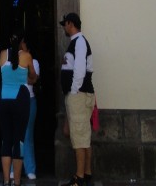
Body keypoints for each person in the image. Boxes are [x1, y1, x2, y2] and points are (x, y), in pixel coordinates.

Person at [0, 31, 37, 186]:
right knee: (19, 139)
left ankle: (6, 180)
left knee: (6, 139)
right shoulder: (27, 56)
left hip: (3, 98)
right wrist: (25, 76)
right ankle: (17, 181)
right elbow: (33, 76)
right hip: (20, 98)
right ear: (22, 42)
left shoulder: (2, 54)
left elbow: (3, 71)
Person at [60, 12, 94, 186]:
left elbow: (79, 70)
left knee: (80, 138)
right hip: (78, 95)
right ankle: (86, 174)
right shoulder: (76, 42)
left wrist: (73, 92)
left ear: (70, 24)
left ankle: (79, 178)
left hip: (78, 95)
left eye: (65, 25)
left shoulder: (79, 42)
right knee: (83, 135)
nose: (64, 28)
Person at [19, 35, 40, 181]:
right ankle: (14, 168)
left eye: (23, 43)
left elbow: (33, 80)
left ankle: (30, 168)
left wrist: (20, 76)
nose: (20, 46)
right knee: (15, 135)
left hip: (29, 100)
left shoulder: (35, 62)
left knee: (27, 135)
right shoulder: (15, 60)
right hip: (16, 99)